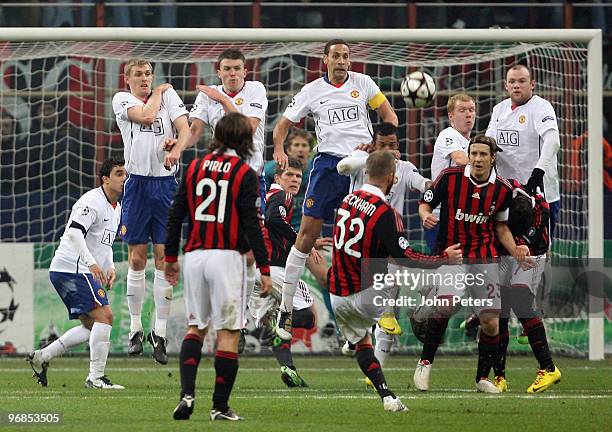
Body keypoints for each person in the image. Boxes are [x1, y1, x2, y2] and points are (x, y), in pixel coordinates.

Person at [273, 39, 398, 340]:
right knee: (306, 236)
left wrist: (377, 142)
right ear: (325, 60)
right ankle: (286, 309)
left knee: (371, 241)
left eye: (346, 56)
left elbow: (390, 118)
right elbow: (282, 125)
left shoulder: (364, 84)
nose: (342, 61)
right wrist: (279, 148)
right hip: (328, 166)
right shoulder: (312, 91)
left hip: (362, 165)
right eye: (336, 56)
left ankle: (373, 318)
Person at [329, 150, 461, 412]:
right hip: (367, 295)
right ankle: (416, 313)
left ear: (366, 172)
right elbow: (406, 255)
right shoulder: (385, 212)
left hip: (336, 296)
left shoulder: (347, 200)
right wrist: (442, 258)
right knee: (411, 274)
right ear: (392, 178)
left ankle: (387, 396)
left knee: (363, 342)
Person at [165, 112, 273, 422]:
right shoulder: (244, 172)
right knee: (228, 333)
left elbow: (176, 216)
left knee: (195, 327)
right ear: (245, 140)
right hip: (227, 258)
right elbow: (252, 225)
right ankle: (220, 407)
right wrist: (264, 268)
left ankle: (186, 395)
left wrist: (170, 257)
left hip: (195, 256)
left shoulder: (195, 167)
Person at [415, 134, 531, 393]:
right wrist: (425, 216)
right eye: (473, 153)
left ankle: (481, 378)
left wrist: (516, 251)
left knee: (491, 322)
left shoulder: (502, 189)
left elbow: (500, 226)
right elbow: (426, 203)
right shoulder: (450, 176)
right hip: (452, 253)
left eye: (482, 154)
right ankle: (424, 363)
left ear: (493, 158)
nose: (477, 159)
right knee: (447, 305)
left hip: (483, 257)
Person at [112, 58, 190, 364]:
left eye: (149, 75)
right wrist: (159, 91)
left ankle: (160, 333)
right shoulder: (123, 99)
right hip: (137, 186)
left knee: (163, 259)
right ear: (128, 78)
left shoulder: (169, 96)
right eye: (139, 75)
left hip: (166, 187)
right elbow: (145, 116)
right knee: (137, 258)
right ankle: (135, 329)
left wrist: (176, 150)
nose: (145, 79)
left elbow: (184, 129)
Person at [27, 158, 127, 389]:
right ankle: (95, 378)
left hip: (73, 270)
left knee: (93, 325)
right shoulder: (91, 201)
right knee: (107, 317)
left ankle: (43, 356)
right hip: (73, 268)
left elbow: (106, 243)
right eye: (119, 174)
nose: (124, 179)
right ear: (105, 179)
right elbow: (73, 233)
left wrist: (109, 266)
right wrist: (92, 264)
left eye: (125, 174)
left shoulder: (117, 207)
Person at [337, 122, 430, 368]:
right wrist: (363, 155)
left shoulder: (404, 168)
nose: (387, 150)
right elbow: (342, 167)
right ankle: (361, 331)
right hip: (361, 244)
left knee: (388, 310)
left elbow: (422, 183)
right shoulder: (363, 162)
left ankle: (373, 366)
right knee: (383, 300)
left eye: (392, 145)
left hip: (388, 240)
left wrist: (433, 189)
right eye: (382, 145)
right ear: (373, 144)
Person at [249, 157, 316, 388]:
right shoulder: (282, 196)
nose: (295, 180)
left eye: (298, 176)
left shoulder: (265, 198)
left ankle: (288, 368)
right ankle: (281, 321)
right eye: (289, 175)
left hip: (255, 273)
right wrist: (302, 241)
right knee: (306, 316)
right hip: (275, 270)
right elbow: (275, 221)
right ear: (277, 178)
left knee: (276, 322)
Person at [169, 48, 268, 204]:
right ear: (219, 72)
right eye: (227, 69)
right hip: (221, 174)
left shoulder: (256, 89)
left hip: (251, 173)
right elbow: (194, 131)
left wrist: (223, 100)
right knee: (222, 226)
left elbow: (249, 128)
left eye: (237, 68)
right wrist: (178, 146)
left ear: (245, 72)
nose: (232, 73)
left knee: (253, 227)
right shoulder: (208, 94)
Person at [494, 180, 561, 393]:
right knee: (501, 310)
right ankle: (499, 376)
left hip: (533, 253)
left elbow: (544, 214)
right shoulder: (503, 190)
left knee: (520, 299)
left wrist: (523, 242)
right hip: (504, 249)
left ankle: (548, 367)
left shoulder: (540, 206)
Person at [485, 63, 561, 236]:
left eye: (522, 81)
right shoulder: (499, 109)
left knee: (537, 255)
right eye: (512, 81)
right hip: (506, 195)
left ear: (532, 84)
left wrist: (538, 173)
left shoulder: (541, 107)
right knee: (506, 253)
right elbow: (488, 143)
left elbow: (553, 140)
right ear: (506, 85)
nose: (516, 85)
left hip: (539, 195)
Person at [427, 93, 474, 252]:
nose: (468, 114)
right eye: (462, 110)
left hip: (461, 217)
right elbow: (461, 159)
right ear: (451, 116)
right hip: (440, 218)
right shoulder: (447, 134)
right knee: (443, 270)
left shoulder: (470, 143)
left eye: (471, 109)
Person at [264, 128, 314, 230]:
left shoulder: (315, 170)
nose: (300, 149)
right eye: (296, 145)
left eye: (304, 145)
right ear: (288, 149)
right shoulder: (270, 169)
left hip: (304, 229)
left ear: (310, 150)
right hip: (278, 227)